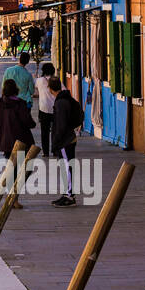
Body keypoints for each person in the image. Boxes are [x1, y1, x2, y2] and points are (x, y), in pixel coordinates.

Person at [0, 78, 35, 208]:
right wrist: (32, 123)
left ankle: (12, 196)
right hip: (21, 141)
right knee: (25, 169)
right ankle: (13, 198)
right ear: (16, 90)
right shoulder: (20, 104)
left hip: (6, 141)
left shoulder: (0, 104)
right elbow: (26, 121)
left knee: (13, 169)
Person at [48, 76, 83, 207]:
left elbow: (60, 125)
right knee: (66, 168)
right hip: (69, 138)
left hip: (65, 140)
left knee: (67, 168)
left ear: (50, 89)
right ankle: (66, 193)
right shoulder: (66, 99)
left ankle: (69, 196)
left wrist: (56, 142)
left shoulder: (60, 103)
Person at [35, 62, 56, 156]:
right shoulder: (56, 80)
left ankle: (45, 152)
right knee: (55, 131)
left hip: (43, 109)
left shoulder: (39, 80)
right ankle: (55, 150)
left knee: (44, 132)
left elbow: (35, 89)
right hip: (55, 109)